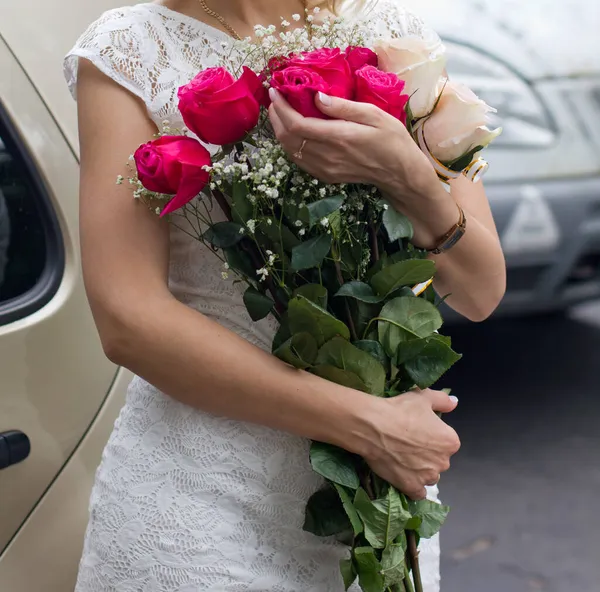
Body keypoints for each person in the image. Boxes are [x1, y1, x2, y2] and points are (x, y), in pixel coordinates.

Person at [64, 0, 506, 590]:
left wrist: (407, 174)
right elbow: (129, 319)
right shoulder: (129, 49)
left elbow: (479, 292)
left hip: (379, 507)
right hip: (198, 500)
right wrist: (371, 425)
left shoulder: (388, 32)